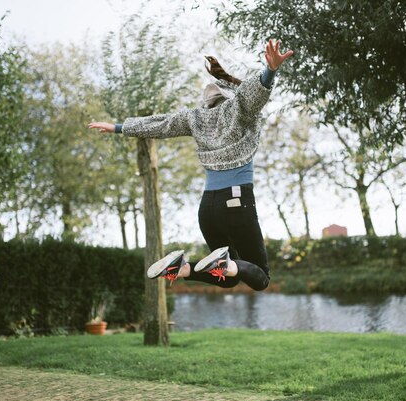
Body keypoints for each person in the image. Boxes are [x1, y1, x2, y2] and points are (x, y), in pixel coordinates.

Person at [89, 39, 293, 291]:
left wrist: (119, 127)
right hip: (237, 203)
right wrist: (270, 71)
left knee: (227, 275)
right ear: (232, 94)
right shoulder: (239, 108)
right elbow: (252, 92)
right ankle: (217, 263)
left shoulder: (195, 117)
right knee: (261, 277)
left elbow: (161, 124)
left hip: (208, 209)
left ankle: (183, 268)